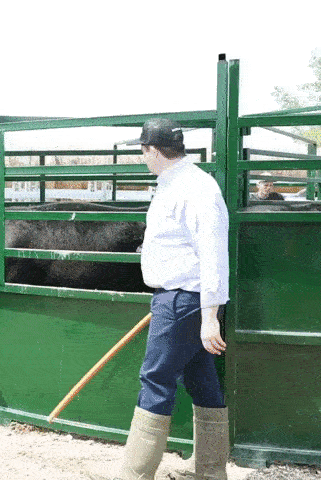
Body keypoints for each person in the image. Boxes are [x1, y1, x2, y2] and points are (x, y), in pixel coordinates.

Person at [94, 119, 230, 480]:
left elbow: (213, 254)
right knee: (201, 378)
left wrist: (210, 316)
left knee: (155, 379)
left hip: (184, 300)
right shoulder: (180, 184)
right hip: (181, 299)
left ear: (152, 149)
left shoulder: (195, 188)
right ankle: (211, 472)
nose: (142, 157)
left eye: (141, 151)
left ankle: (135, 475)